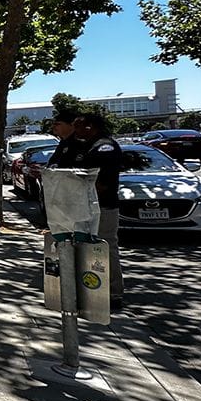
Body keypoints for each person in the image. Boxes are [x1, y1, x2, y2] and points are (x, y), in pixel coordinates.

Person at [73, 112, 124, 307]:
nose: (76, 129)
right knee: (92, 249)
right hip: (91, 206)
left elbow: (102, 181)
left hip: (103, 206)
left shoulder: (104, 146)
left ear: (90, 126)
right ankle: (95, 289)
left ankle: (113, 293)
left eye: (79, 125)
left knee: (105, 246)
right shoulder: (91, 145)